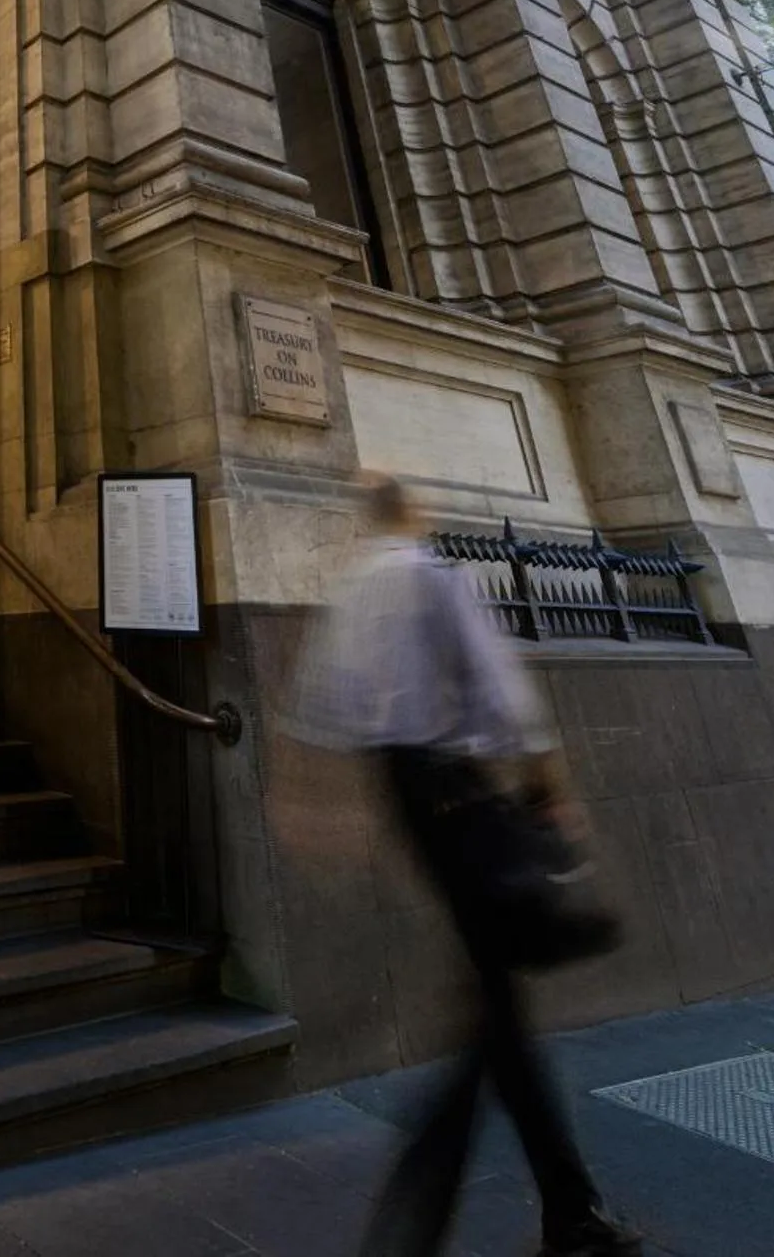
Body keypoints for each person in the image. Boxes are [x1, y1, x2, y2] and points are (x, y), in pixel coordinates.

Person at [282, 476, 638, 1257]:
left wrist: (314, 813)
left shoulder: (353, 592)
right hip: (462, 792)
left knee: (494, 1008)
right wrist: (549, 783)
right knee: (492, 1017)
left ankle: (568, 1212)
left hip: (407, 797)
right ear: (411, 515)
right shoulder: (429, 577)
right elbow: (503, 691)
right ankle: (446, 1215)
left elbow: (323, 706)